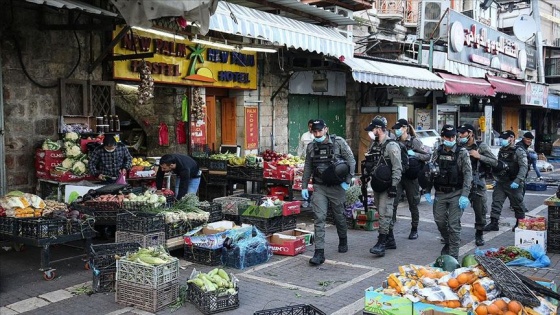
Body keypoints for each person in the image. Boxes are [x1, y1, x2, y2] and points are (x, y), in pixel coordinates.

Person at [301, 119, 355, 266]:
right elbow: (308, 167)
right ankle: (319, 252)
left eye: (319, 131)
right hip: (320, 187)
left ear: (326, 129)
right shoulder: (311, 147)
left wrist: (348, 180)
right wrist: (304, 186)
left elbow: (351, 161)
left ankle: (343, 239)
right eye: (314, 131)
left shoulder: (338, 142)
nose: (317, 134)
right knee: (319, 218)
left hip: (337, 187)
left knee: (339, 216)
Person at [423, 125, 472, 260]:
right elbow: (430, 171)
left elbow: (468, 174)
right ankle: (449, 242)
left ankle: (453, 257)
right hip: (440, 193)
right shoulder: (437, 152)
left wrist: (465, 195)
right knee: (439, 221)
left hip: (456, 193)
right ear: (443, 137)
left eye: (453, 136)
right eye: (448, 137)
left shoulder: (462, 152)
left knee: (453, 224)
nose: (451, 139)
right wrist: (427, 190)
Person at [363, 117, 402, 257]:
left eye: (372, 130)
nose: (371, 133)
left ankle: (382, 242)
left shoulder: (391, 146)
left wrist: (393, 186)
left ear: (378, 129)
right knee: (381, 211)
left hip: (388, 185)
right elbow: (370, 161)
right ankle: (390, 239)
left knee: (385, 212)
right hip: (377, 183)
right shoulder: (374, 144)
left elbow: (397, 168)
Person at [457, 123, 498, 246]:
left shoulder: (481, 146)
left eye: (463, 133)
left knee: (480, 211)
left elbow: (495, 162)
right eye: (459, 133)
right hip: (462, 182)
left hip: (478, 182)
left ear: (470, 133)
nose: (460, 135)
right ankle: (454, 234)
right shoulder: (459, 146)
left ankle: (479, 234)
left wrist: (479, 156)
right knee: (456, 210)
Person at [391, 119, 430, 240]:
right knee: (393, 202)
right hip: (398, 176)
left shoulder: (415, 141)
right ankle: (389, 231)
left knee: (413, 204)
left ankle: (414, 229)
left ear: (404, 128)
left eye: (398, 128)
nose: (396, 131)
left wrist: (414, 154)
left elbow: (427, 156)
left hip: (411, 177)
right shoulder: (394, 141)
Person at [484, 130, 528, 231]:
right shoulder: (502, 150)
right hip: (501, 182)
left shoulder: (519, 151)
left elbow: (523, 167)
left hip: (514, 182)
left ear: (512, 138)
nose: (503, 140)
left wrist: (518, 181)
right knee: (496, 202)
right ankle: (494, 223)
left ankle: (520, 222)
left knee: (517, 203)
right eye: (502, 138)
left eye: (505, 138)